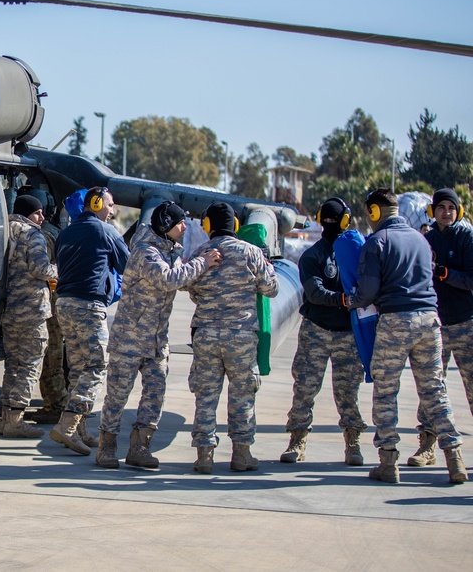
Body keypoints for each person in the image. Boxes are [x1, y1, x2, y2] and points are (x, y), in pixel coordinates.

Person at [345, 188, 466, 484]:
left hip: (395, 322)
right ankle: (455, 459)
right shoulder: (421, 240)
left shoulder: (377, 242)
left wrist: (350, 300)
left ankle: (388, 462)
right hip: (430, 320)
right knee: (434, 390)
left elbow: (368, 292)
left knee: (386, 392)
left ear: (374, 212)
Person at [96, 201, 221, 468]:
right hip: (130, 338)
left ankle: (140, 447)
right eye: (180, 222)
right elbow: (169, 280)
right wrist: (202, 262)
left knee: (155, 395)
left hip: (157, 341)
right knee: (117, 395)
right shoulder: (145, 252)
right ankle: (106, 447)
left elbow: (183, 278)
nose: (185, 227)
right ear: (166, 225)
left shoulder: (171, 252)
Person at [187, 202, 278, 473]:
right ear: (236, 225)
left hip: (206, 334)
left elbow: (191, 288)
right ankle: (241, 454)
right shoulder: (251, 253)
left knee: (205, 395)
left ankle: (204, 455)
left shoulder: (200, 253)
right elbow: (271, 289)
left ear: (207, 226)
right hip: (241, 336)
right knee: (242, 395)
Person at [280, 198, 368, 466]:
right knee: (305, 388)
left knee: (347, 392)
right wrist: (344, 300)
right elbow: (315, 293)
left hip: (347, 333)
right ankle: (297, 439)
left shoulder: (358, 252)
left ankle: (353, 442)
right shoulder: (314, 256)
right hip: (316, 330)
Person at [50, 186, 129, 455]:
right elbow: (127, 266)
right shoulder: (106, 232)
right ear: (95, 203)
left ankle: (80, 431)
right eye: (108, 204)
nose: (112, 210)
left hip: (65, 305)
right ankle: (68, 425)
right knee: (96, 365)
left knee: (78, 367)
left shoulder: (66, 233)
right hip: (88, 306)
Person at [407, 188, 473, 469]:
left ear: (458, 211)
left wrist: (445, 273)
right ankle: (427, 445)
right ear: (433, 211)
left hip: (466, 323)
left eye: (451, 207)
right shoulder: (427, 240)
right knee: (431, 387)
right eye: (441, 207)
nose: (446, 212)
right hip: (435, 325)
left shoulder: (466, 237)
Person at [0, 194, 58, 438]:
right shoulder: (32, 234)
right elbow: (40, 269)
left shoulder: (4, 231)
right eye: (38, 213)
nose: (42, 217)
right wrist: (58, 270)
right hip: (32, 310)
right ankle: (15, 420)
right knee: (31, 364)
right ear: (26, 213)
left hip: (9, 309)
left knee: (12, 364)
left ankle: (6, 418)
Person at [18, 187, 68, 425]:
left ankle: (57, 405)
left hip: (48, 304)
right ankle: (56, 404)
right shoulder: (47, 234)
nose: (42, 217)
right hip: (49, 303)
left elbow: (43, 270)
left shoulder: (41, 235)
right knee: (51, 356)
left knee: (51, 357)